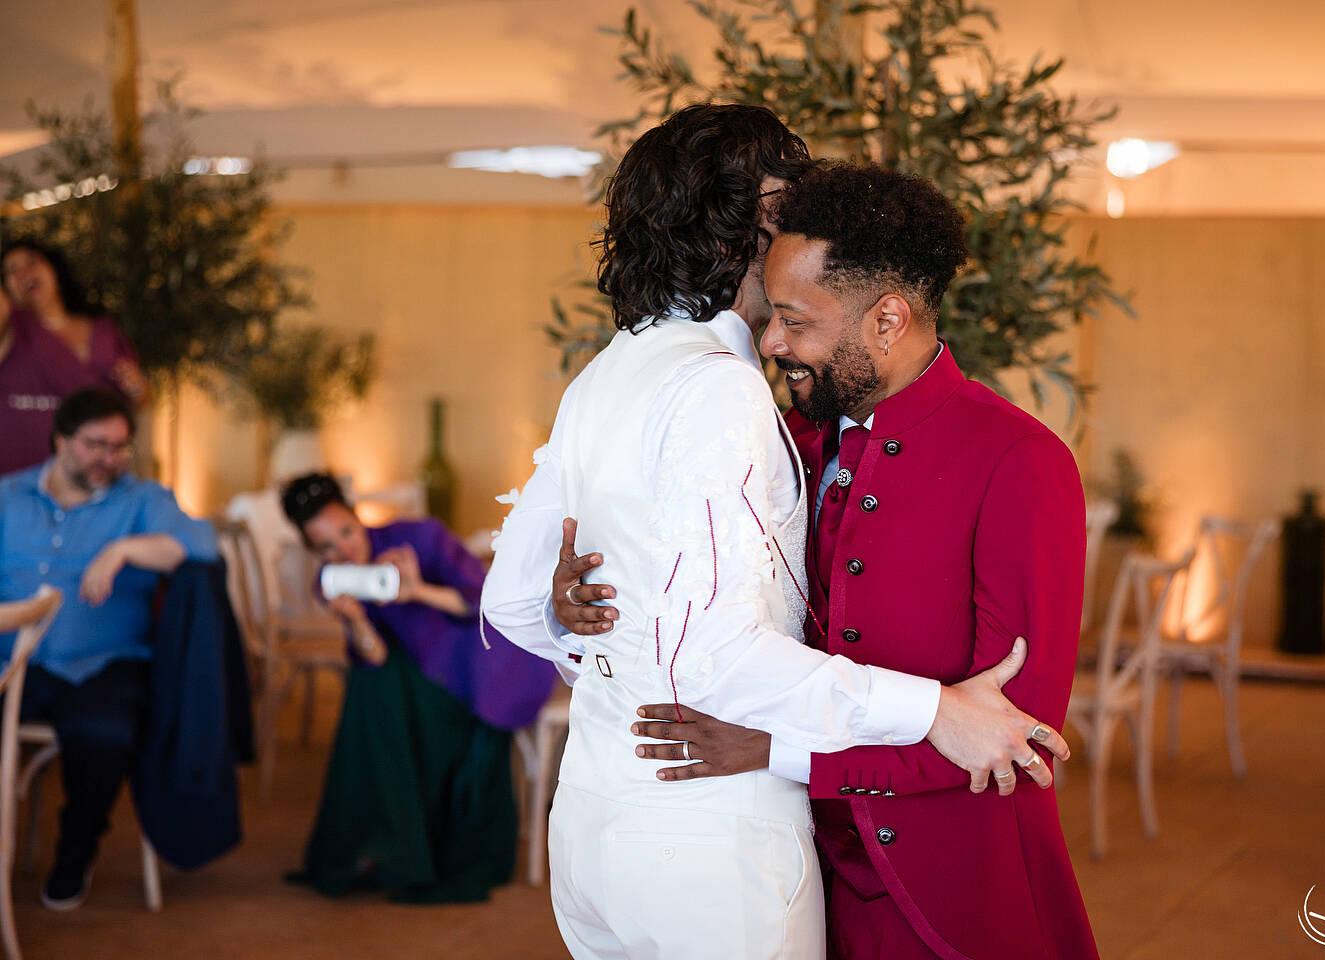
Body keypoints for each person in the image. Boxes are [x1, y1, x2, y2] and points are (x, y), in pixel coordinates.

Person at [483, 104, 1067, 960]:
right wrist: (933, 708)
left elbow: (514, 600)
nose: (793, 220)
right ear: (736, 232)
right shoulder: (725, 388)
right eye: (779, 207)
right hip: (708, 838)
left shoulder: (608, 371)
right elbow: (713, 654)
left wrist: (598, 631)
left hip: (593, 821)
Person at [280, 473, 553, 903]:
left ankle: (385, 840)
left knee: (376, 698)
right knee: (372, 686)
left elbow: (486, 602)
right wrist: (354, 619)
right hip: (419, 681)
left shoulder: (419, 538)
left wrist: (417, 591)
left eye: (346, 532)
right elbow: (374, 657)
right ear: (315, 552)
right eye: (326, 546)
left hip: (485, 665)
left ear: (357, 517)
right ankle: (395, 841)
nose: (344, 549)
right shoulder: (334, 582)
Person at [0, 387, 216, 910]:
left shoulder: (142, 500)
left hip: (103, 664)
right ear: (62, 440)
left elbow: (203, 545)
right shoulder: (9, 495)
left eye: (120, 447)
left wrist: (122, 548)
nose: (110, 459)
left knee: (103, 735)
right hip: (11, 666)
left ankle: (75, 855)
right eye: (97, 445)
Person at [0, 239, 147, 476]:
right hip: (18, 480)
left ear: (54, 268)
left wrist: (137, 387)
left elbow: (137, 399)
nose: (24, 273)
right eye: (11, 270)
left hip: (93, 474)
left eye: (31, 262)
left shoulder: (103, 329)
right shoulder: (10, 330)